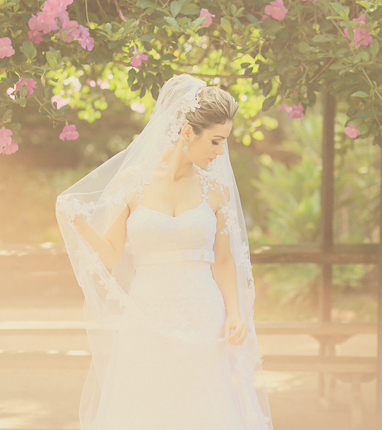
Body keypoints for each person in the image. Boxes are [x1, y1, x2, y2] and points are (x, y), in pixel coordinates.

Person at [56, 74, 273, 429]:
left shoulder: (216, 189)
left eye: (223, 143)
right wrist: (79, 224)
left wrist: (235, 312)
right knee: (145, 401)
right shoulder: (133, 182)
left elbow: (223, 260)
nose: (220, 152)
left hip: (203, 311)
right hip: (148, 312)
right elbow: (110, 255)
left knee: (202, 404)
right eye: (215, 141)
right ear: (188, 132)